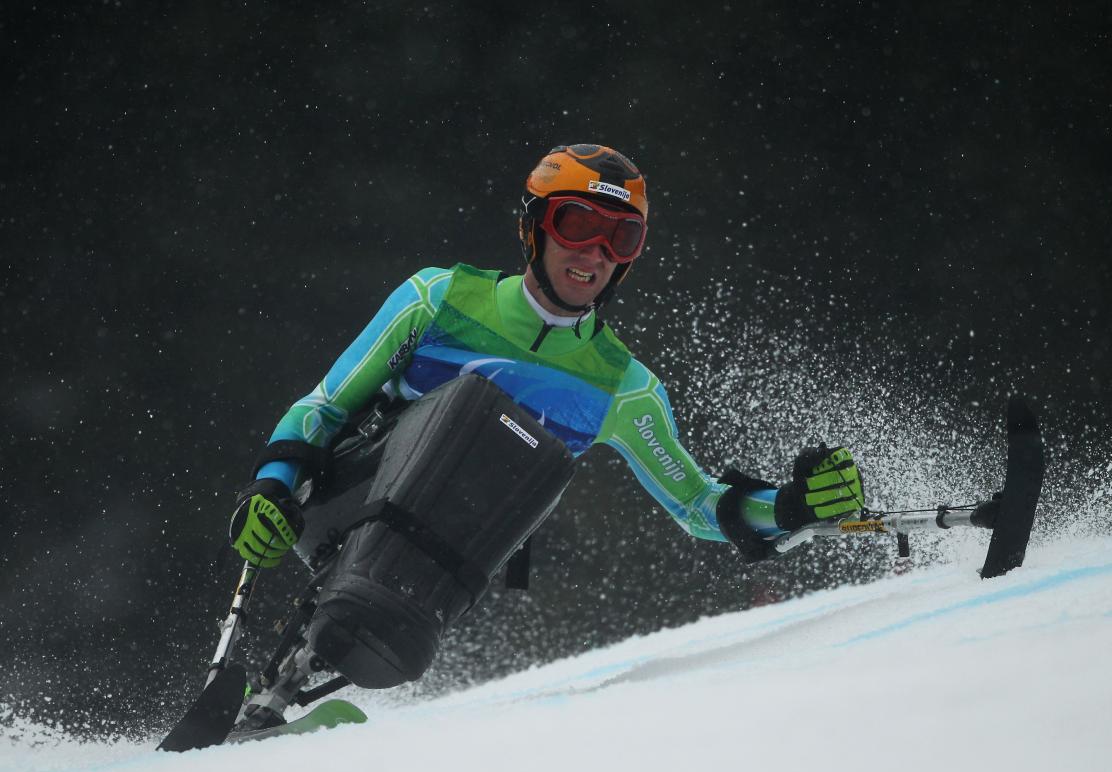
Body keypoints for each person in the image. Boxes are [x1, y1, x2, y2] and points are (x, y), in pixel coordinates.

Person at [226, 144, 864, 702]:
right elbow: (325, 406)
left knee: (509, 446)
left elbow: (697, 503)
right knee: (471, 410)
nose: (595, 251)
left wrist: (790, 508)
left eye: (622, 238)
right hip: (342, 506)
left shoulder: (623, 387)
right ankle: (291, 658)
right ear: (534, 227)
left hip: (439, 567)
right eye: (578, 222)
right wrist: (274, 483)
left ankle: (296, 683)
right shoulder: (437, 299)